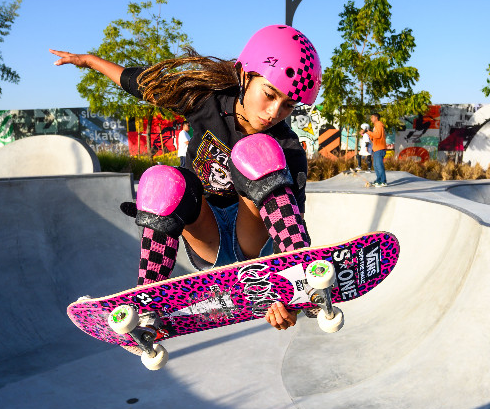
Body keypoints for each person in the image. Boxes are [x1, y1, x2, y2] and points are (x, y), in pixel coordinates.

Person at [51, 25, 321, 331]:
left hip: (253, 244)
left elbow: (291, 222)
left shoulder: (287, 147)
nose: (274, 113)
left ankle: (303, 276)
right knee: (162, 179)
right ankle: (147, 304)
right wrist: (89, 61)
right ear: (244, 75)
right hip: (206, 235)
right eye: (269, 95)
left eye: (288, 105)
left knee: (259, 150)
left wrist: (294, 297)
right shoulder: (205, 103)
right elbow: (141, 83)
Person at [369, 113, 387, 187]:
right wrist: (367, 134)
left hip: (380, 148)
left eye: (372, 117)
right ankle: (378, 180)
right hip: (376, 148)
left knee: (379, 165)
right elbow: (374, 138)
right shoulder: (375, 126)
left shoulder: (379, 124)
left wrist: (369, 132)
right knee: (375, 165)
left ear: (376, 118)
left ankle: (383, 181)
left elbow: (378, 135)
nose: (371, 119)